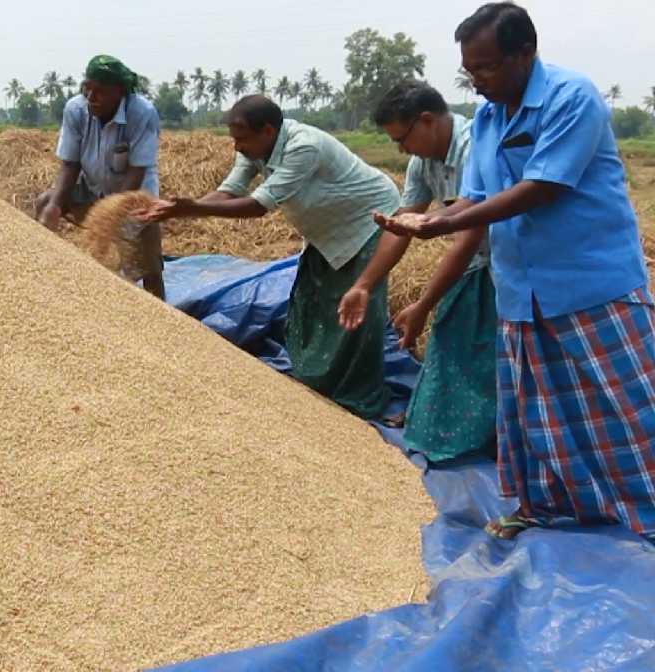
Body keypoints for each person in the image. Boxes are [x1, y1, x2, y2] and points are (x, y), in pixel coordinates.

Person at [377, 2, 655, 542]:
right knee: (539, 415)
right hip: (519, 289)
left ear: (524, 54)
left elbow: (542, 188)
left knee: (628, 406)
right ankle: (545, 506)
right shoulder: (486, 120)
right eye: (469, 71)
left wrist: (441, 224)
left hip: (590, 281)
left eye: (486, 68)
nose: (477, 82)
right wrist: (427, 219)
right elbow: (476, 199)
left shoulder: (571, 98)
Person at [134, 95, 401, 420]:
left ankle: (362, 397)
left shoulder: (304, 146)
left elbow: (258, 206)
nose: (237, 146)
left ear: (267, 130)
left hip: (366, 220)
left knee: (355, 311)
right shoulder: (254, 149)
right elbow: (230, 190)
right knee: (313, 301)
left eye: (242, 137)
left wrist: (193, 207)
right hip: (325, 228)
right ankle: (321, 382)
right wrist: (178, 209)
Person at [338, 81, 496, 463]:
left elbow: (468, 236)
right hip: (478, 261)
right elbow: (403, 227)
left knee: (490, 353)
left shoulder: (475, 147)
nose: (401, 149)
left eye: (403, 138)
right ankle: (440, 422)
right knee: (451, 340)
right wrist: (364, 284)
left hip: (510, 262)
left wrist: (424, 303)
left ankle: (489, 438)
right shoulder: (422, 162)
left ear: (426, 121)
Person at [34, 54, 164, 298]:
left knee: (149, 265)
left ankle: (164, 318)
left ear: (119, 92)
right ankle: (41, 283)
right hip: (92, 188)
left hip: (133, 197)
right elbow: (70, 165)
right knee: (45, 203)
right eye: (87, 89)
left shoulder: (142, 113)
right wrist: (55, 205)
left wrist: (108, 218)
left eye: (100, 91)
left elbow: (136, 172)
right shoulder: (76, 109)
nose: (91, 98)